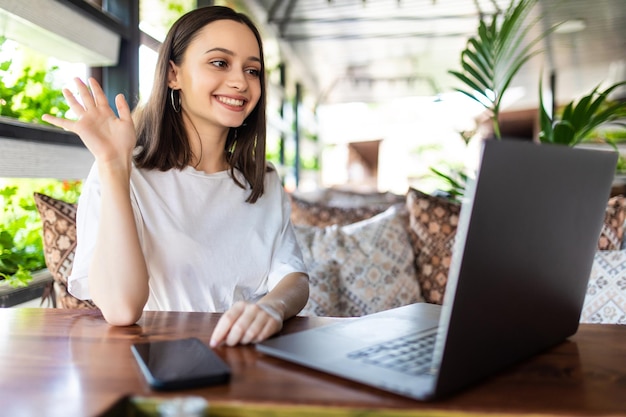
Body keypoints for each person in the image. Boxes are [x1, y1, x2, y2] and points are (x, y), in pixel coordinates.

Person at [42, 6, 309, 347]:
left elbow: (293, 276)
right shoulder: (122, 170)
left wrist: (272, 308)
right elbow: (122, 308)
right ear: (173, 75)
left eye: (252, 70)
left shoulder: (263, 179)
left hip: (250, 357)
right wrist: (112, 164)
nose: (241, 81)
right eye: (220, 63)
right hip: (158, 360)